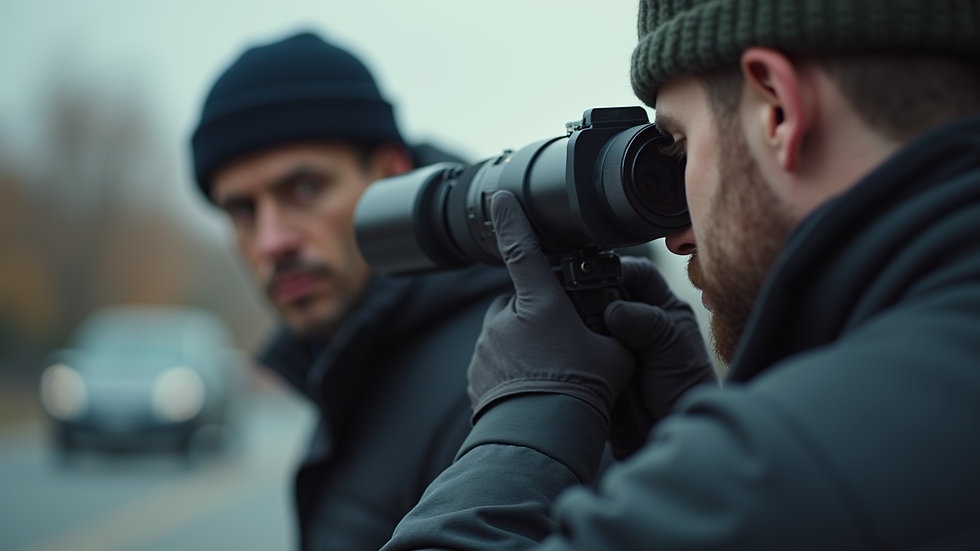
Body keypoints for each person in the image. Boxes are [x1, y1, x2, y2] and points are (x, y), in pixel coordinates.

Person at [381, 1, 980, 549]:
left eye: (679, 143)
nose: (675, 233)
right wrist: (685, 435)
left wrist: (522, 422)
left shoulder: (790, 466)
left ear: (778, 108)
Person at [189, 32, 512, 550]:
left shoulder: (510, 366)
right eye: (243, 211)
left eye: (306, 189)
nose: (273, 242)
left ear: (391, 175)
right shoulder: (350, 357)